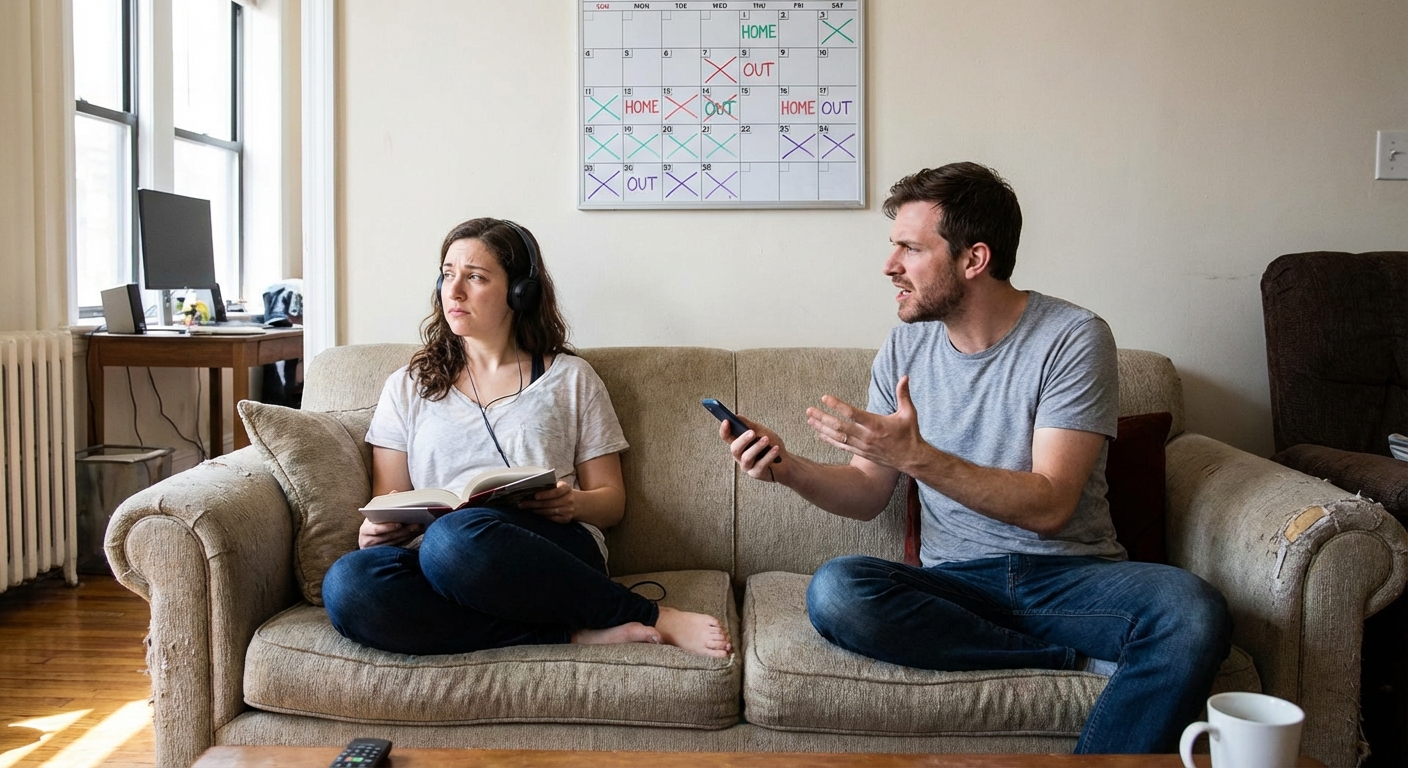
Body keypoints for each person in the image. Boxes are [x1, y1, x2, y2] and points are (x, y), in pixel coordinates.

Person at [717, 163, 1231, 753]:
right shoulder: (904, 346)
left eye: (910, 249)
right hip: (955, 585)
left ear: (974, 259)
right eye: (894, 248)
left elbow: (1051, 505)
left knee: (1192, 611)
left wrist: (918, 457)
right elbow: (867, 492)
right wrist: (787, 467)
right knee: (837, 590)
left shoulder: (1072, 337)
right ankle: (1067, 658)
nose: (890, 267)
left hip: (1072, 579)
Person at [323, 217, 730, 658]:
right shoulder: (407, 385)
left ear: (521, 292)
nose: (453, 291)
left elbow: (612, 502)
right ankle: (570, 635)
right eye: (447, 274)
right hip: (437, 557)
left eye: (475, 277)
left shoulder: (571, 379)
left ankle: (651, 614)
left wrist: (572, 503)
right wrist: (376, 531)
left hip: (547, 552)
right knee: (349, 583)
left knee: (454, 541)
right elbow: (390, 497)